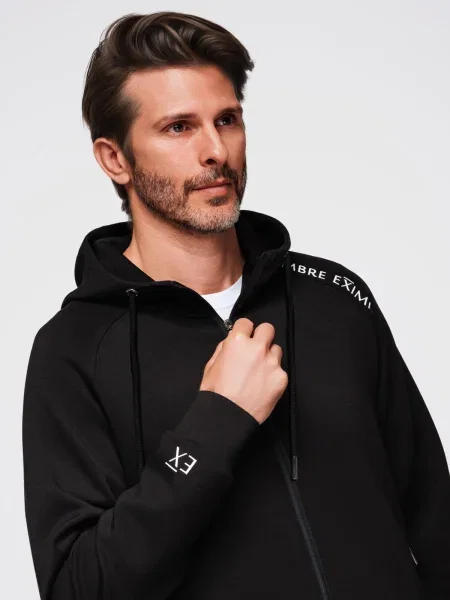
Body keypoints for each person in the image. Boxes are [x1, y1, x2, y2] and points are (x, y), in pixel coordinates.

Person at [22, 11, 450, 600]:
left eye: (226, 119)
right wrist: (215, 423)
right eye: (178, 127)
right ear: (115, 158)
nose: (215, 151)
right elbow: (79, 588)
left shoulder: (333, 298)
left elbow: (435, 519)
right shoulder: (73, 350)